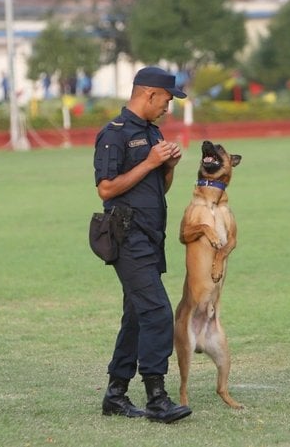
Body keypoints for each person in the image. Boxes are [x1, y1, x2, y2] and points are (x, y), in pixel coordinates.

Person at [92, 66, 191, 424]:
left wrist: (167, 168)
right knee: (157, 312)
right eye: (167, 99)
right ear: (149, 94)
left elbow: (155, 189)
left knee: (136, 316)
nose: (169, 107)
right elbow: (106, 189)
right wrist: (151, 160)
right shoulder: (114, 135)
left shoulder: (152, 132)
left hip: (150, 237)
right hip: (126, 235)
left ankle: (115, 394)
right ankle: (157, 397)